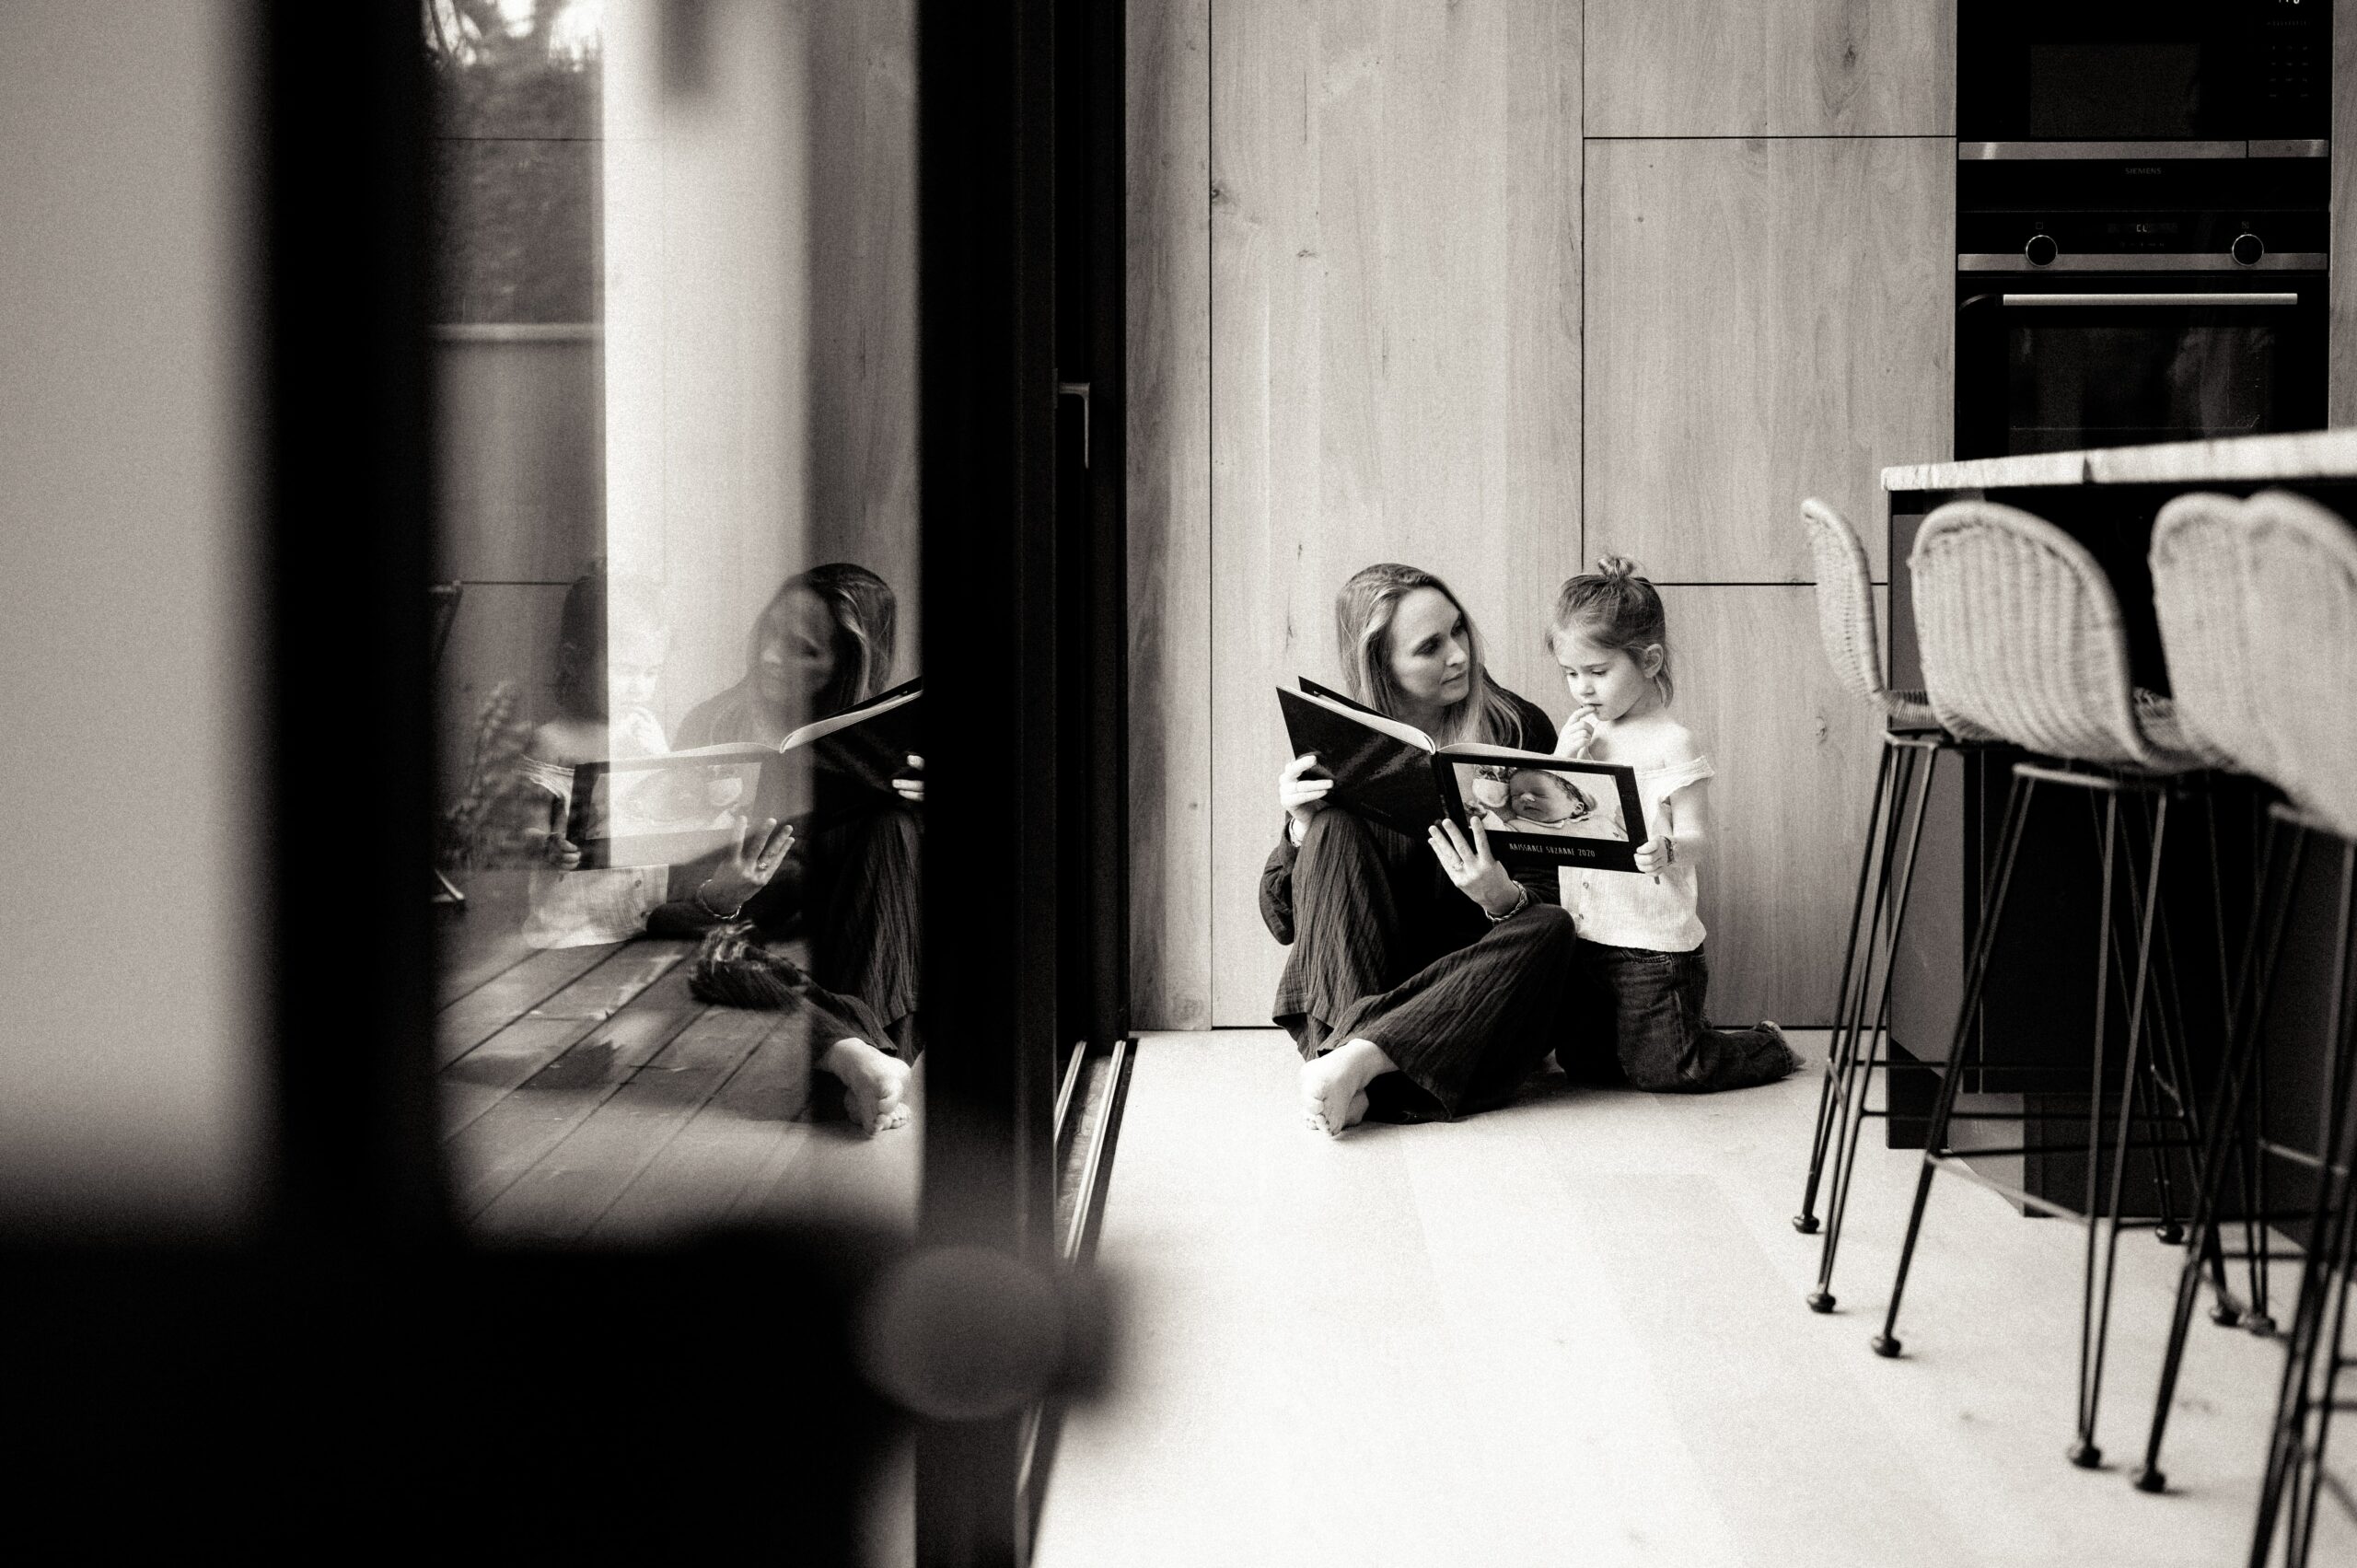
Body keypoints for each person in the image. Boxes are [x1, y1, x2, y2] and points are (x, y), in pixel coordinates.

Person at [1265, 562, 1578, 1136]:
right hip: (1366, 970)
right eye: (1430, 647)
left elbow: (1564, 886)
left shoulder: (1517, 726)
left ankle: (1355, 1064)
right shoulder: (1344, 741)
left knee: (1552, 927)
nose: (1458, 654)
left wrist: (1500, 897)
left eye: (1458, 631)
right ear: (1379, 665)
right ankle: (1365, 1068)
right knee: (1333, 829)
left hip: (1468, 994)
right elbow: (1284, 921)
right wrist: (1299, 829)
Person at [653, 563, 922, 1133]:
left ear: (845, 664)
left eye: (801, 649)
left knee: (892, 827)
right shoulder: (709, 723)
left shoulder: (869, 748)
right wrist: (721, 890)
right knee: (706, 951)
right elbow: (670, 880)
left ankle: (856, 1058)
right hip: (740, 915)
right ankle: (864, 1057)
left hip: (838, 914)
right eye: (768, 634)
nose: (772, 657)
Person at [1546, 556, 1800, 1092]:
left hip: (1650, 942)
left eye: (1598, 672)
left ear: (1650, 660)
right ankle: (1672, 1033)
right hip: (1585, 931)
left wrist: (1668, 847)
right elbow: (1556, 819)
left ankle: (1766, 1045)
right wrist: (1560, 761)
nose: (1582, 690)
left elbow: (1698, 839)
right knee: (1585, 1066)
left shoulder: (1671, 743)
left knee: (1669, 1070)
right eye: (1571, 674)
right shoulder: (1582, 733)